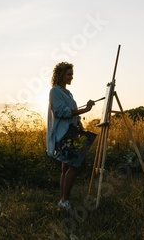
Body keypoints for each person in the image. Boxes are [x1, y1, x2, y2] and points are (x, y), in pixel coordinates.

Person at [47, 62, 95, 212]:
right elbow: (62, 112)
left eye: (72, 74)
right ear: (61, 75)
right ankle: (64, 200)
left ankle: (63, 200)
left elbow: (71, 112)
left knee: (66, 168)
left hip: (72, 132)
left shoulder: (68, 93)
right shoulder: (54, 91)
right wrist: (85, 110)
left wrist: (80, 124)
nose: (71, 77)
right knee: (75, 166)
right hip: (63, 135)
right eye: (69, 74)